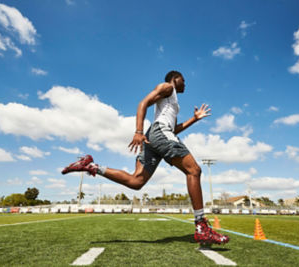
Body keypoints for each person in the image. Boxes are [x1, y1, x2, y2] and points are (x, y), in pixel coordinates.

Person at [62, 70, 229, 245]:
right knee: (194, 170)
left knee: (136, 182)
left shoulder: (171, 103)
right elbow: (143, 103)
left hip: (155, 136)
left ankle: (92, 167)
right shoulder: (167, 87)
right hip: (156, 133)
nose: (185, 83)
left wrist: (194, 119)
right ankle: (201, 226)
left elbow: (172, 130)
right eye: (183, 80)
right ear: (174, 79)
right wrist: (138, 131)